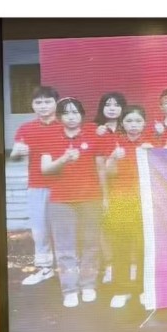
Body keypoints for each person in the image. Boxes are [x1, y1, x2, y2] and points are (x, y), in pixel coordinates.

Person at [40, 97, 108, 308]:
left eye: (75, 112)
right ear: (59, 117)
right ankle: (69, 289)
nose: (71, 117)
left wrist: (105, 197)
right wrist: (63, 159)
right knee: (64, 247)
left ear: (82, 115)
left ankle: (88, 285)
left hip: (90, 198)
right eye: (66, 113)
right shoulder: (50, 138)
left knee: (91, 244)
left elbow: (101, 169)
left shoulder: (93, 135)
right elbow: (45, 169)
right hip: (61, 200)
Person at [103, 105, 153, 310]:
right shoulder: (115, 143)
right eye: (129, 121)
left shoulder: (151, 144)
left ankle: (143, 288)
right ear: (122, 123)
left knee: (144, 246)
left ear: (145, 123)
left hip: (145, 201)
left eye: (138, 121)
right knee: (121, 246)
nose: (134, 125)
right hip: (121, 201)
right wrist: (114, 157)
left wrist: (153, 154)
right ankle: (121, 289)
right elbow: (108, 174)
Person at [10, 85, 60, 286]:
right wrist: (17, 152)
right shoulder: (26, 128)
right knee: (40, 230)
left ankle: (70, 268)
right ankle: (44, 268)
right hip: (37, 186)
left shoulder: (66, 126)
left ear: (56, 103)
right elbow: (14, 155)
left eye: (47, 101)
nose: (43, 106)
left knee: (66, 229)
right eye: (38, 102)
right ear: (32, 105)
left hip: (65, 186)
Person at [93, 92, 128, 285]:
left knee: (128, 228)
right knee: (105, 227)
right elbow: (99, 168)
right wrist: (105, 196)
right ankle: (110, 266)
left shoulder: (130, 127)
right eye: (108, 104)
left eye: (116, 104)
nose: (112, 108)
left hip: (128, 188)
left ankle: (130, 266)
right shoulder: (96, 131)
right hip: (104, 185)